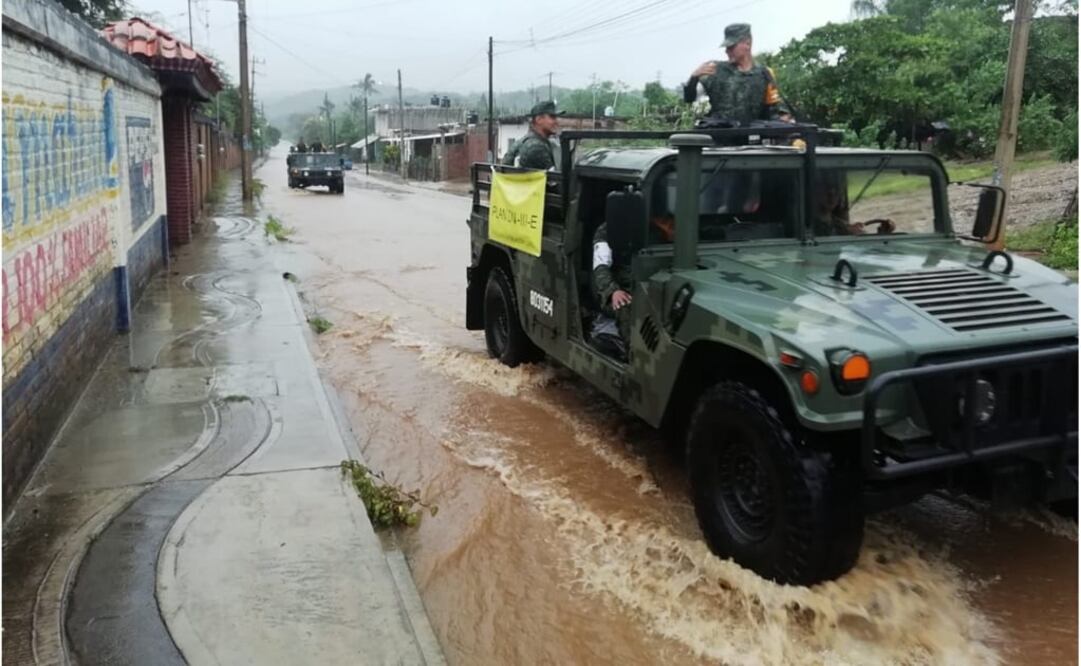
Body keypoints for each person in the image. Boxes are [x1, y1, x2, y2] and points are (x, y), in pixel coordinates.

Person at [684, 23, 793, 126]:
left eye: (731, 47)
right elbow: (689, 98)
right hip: (720, 135)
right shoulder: (714, 70)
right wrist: (694, 78)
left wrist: (783, 121)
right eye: (726, 47)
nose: (727, 51)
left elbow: (776, 110)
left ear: (747, 44)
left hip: (753, 135)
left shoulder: (764, 74)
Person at [592, 222, 634, 351]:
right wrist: (613, 291)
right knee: (623, 304)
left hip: (641, 284)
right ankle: (632, 352)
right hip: (614, 288)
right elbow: (601, 266)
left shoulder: (658, 225)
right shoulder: (609, 230)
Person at [814, 171, 896, 236]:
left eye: (836, 189)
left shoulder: (837, 222)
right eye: (827, 189)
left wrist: (881, 234)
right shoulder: (810, 226)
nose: (832, 194)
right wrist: (849, 232)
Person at [503, 100, 562, 170]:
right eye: (552, 117)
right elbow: (552, 176)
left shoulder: (526, 141)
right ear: (539, 119)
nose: (556, 121)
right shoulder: (537, 147)